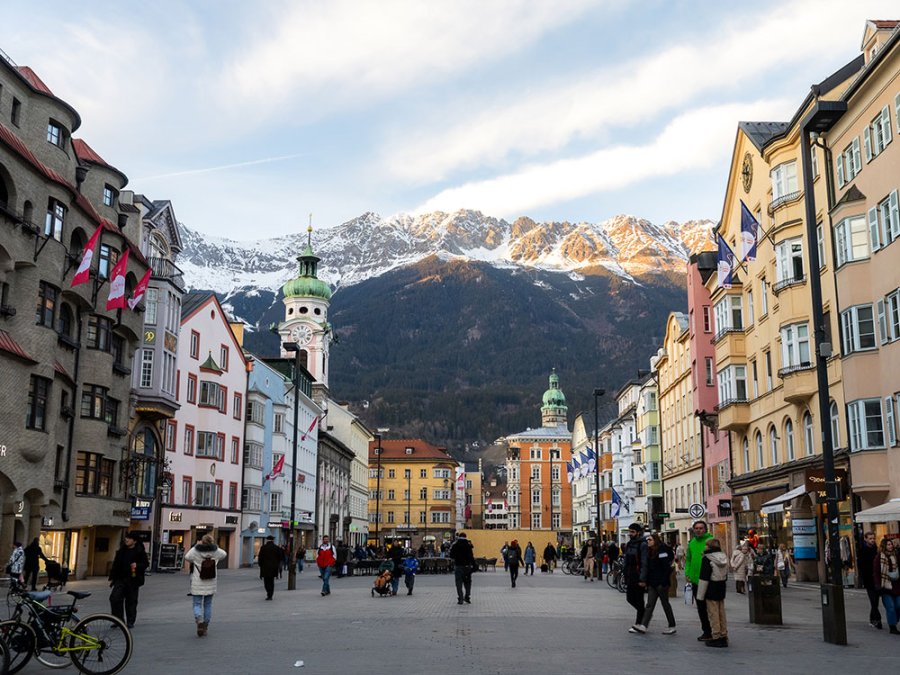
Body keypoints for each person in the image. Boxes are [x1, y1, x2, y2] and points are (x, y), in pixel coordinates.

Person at [632, 533, 677, 635]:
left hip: (661, 583)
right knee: (649, 605)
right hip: (653, 583)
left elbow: (666, 568)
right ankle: (643, 625)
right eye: (647, 540)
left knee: (665, 604)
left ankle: (672, 625)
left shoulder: (662, 551)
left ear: (655, 540)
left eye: (650, 540)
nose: (648, 541)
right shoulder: (650, 551)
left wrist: (663, 581)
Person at [184, 534, 227, 637]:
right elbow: (224, 554)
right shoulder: (216, 551)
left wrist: (196, 547)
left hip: (198, 581)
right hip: (211, 581)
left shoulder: (195, 551)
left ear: (202, 542)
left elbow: (187, 557)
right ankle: (206, 626)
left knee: (197, 604)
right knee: (208, 604)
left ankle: (199, 620)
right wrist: (214, 547)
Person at [108, 532, 149, 629]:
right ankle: (118, 620)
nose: (127, 540)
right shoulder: (122, 551)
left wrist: (137, 565)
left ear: (134, 541)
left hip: (133, 580)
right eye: (126, 538)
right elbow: (116, 565)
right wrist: (112, 577)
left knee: (131, 601)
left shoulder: (139, 551)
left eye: (129, 538)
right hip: (120, 579)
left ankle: (130, 621)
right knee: (114, 598)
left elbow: (145, 564)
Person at [696, 538, 729, 648]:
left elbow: (704, 578)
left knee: (713, 613)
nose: (705, 547)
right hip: (721, 586)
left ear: (709, 547)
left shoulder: (707, 558)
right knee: (721, 612)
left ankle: (716, 636)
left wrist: (700, 596)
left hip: (711, 587)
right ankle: (724, 635)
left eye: (706, 545)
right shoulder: (723, 557)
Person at [685, 520, 714, 641]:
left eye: (701, 528)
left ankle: (715, 630)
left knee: (712, 607)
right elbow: (688, 559)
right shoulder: (691, 543)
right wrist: (687, 573)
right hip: (696, 580)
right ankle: (706, 631)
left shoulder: (711, 541)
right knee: (701, 608)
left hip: (710, 579)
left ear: (705, 529)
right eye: (696, 528)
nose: (698, 530)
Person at [623, 523, 648, 631]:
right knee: (629, 598)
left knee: (639, 599)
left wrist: (642, 578)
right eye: (630, 531)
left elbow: (644, 562)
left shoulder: (642, 544)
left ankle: (639, 622)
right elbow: (626, 560)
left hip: (637, 575)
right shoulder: (629, 544)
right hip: (629, 574)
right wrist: (624, 573)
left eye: (632, 532)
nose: (630, 534)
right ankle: (645, 614)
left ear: (638, 533)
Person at [873, 537, 900, 634]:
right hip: (885, 586)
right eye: (888, 544)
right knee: (891, 607)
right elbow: (876, 572)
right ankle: (892, 627)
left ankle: (894, 620)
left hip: (897, 586)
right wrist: (878, 585)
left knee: (898, 605)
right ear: (884, 546)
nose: (890, 546)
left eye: (891, 544)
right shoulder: (879, 557)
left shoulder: (897, 555)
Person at [858, 531, 882, 629]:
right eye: (870, 538)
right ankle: (878, 620)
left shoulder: (876, 549)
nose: (872, 540)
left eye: (873, 538)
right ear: (866, 539)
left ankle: (872, 619)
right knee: (873, 600)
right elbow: (861, 565)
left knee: (876, 601)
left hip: (876, 579)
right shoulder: (862, 550)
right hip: (868, 579)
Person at [449, 532, 475, 604]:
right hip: (467, 566)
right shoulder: (468, 545)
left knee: (458, 582)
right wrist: (473, 565)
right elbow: (471, 556)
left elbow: (451, 556)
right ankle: (467, 596)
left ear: (459, 537)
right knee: (467, 582)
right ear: (465, 536)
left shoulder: (455, 545)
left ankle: (460, 598)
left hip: (458, 566)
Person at [257, 535, 281, 601]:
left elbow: (260, 557)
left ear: (267, 540)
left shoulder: (263, 547)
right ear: (273, 540)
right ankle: (270, 594)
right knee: (271, 581)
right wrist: (277, 564)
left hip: (265, 567)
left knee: (266, 581)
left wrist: (260, 565)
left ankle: (268, 592)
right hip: (273, 567)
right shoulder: (276, 547)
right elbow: (280, 557)